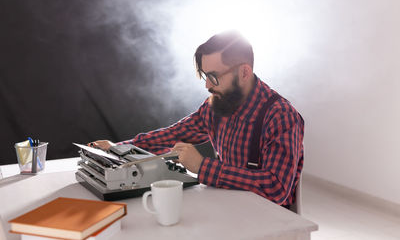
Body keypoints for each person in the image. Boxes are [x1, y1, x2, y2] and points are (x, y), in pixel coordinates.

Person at [91, 30, 304, 208]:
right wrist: (117, 149)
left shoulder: (280, 116)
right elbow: (171, 135)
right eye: (205, 76)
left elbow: (276, 188)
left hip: (266, 219)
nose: (207, 86)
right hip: (228, 208)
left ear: (244, 72)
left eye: (213, 77)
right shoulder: (216, 105)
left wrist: (202, 166)